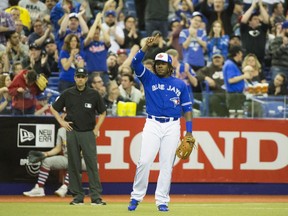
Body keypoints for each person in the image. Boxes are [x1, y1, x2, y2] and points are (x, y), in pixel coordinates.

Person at [128, 34, 193, 212]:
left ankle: (162, 200)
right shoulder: (148, 78)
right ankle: (136, 196)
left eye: (163, 63)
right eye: (157, 63)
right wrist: (145, 48)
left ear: (170, 66)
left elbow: (187, 109)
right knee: (144, 161)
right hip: (153, 123)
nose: (159, 66)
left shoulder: (180, 84)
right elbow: (134, 64)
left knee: (166, 165)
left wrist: (189, 132)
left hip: (172, 125)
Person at [50, 67, 107, 205]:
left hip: (88, 132)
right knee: (73, 165)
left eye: (83, 76)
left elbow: (103, 112)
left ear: (86, 78)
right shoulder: (68, 93)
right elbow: (53, 108)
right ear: (75, 78)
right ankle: (77, 197)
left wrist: (97, 128)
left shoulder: (94, 94)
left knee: (92, 164)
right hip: (72, 132)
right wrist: (61, 122)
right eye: (78, 76)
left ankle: (96, 197)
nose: (80, 79)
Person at [23, 125, 87, 197]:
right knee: (46, 161)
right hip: (67, 158)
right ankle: (39, 189)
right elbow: (58, 148)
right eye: (63, 114)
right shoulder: (61, 130)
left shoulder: (82, 129)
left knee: (74, 161)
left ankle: (64, 187)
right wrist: (46, 154)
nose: (64, 116)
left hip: (84, 161)